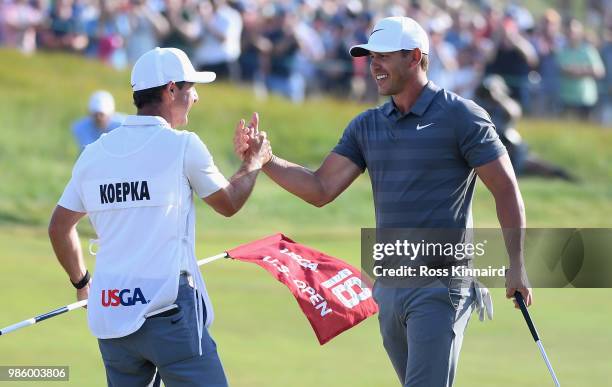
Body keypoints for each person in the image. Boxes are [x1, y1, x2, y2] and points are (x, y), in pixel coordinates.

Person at [235, 17, 532, 387]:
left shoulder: (462, 116)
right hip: (389, 287)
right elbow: (320, 188)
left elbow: (505, 188)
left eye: (384, 57)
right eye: (370, 57)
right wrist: (266, 160)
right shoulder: (367, 125)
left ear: (414, 58)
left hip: (440, 284)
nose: (373, 65)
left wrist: (517, 264)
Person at [49, 47, 271, 386]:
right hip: (169, 310)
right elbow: (228, 203)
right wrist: (253, 163)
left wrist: (82, 283)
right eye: (190, 88)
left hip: (112, 313)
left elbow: (59, 227)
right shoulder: (182, 145)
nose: (195, 98)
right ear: (170, 90)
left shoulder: (93, 155)